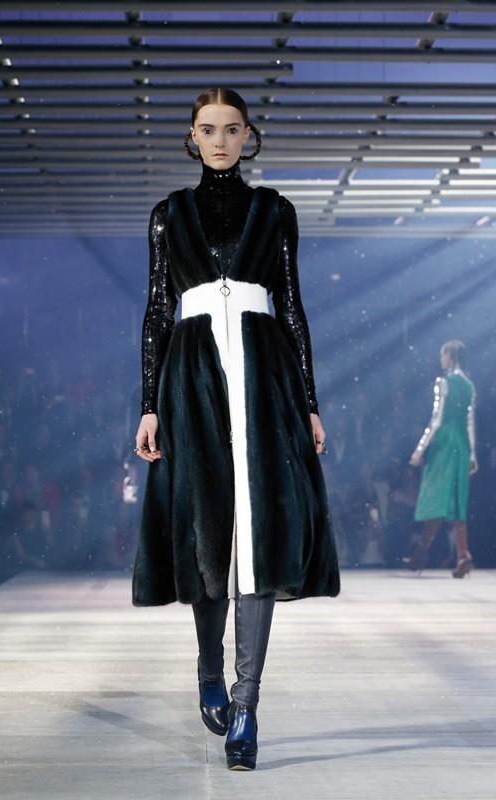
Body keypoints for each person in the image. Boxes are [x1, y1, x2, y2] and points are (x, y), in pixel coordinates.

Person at [131, 87, 341, 771]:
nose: (219, 140)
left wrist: (308, 401)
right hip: (190, 379)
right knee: (205, 529)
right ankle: (208, 670)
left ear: (249, 135)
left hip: (264, 376)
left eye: (231, 129)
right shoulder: (168, 214)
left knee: (258, 536)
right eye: (207, 129)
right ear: (191, 137)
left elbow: (293, 307)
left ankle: (247, 705)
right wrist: (148, 404)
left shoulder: (274, 210)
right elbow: (156, 312)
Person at [404, 340, 478, 578]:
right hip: (461, 445)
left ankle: (422, 552)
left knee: (435, 497)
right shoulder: (469, 385)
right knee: (456, 500)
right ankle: (462, 554)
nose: (441, 359)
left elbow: (436, 419)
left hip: (444, 444)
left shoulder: (443, 382)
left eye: (443, 355)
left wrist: (420, 448)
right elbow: (469, 422)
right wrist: (472, 454)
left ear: (450, 356)